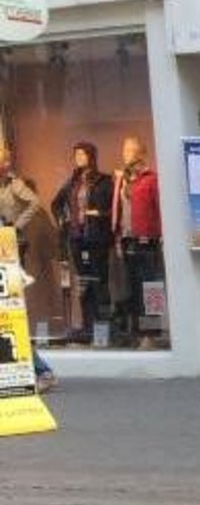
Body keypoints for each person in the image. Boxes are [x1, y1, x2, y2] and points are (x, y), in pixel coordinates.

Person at [0, 144, 52, 388]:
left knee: (9, 313)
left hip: (9, 248)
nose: (6, 165)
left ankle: (42, 370)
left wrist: (15, 226)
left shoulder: (14, 184)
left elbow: (34, 203)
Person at [51, 140, 113, 343]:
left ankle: (102, 328)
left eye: (82, 154)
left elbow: (110, 209)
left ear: (91, 157)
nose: (78, 158)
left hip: (96, 239)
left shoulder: (103, 180)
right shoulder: (72, 182)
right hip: (77, 239)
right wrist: (64, 222)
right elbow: (56, 204)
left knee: (99, 281)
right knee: (84, 282)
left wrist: (98, 215)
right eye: (75, 155)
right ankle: (87, 327)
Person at [109, 134, 163, 347]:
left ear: (142, 153)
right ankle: (136, 333)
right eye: (124, 150)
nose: (126, 154)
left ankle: (151, 334)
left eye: (131, 150)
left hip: (147, 239)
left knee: (151, 288)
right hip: (127, 239)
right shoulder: (121, 180)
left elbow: (160, 208)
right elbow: (118, 209)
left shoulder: (151, 179)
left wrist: (162, 235)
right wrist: (117, 236)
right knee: (131, 288)